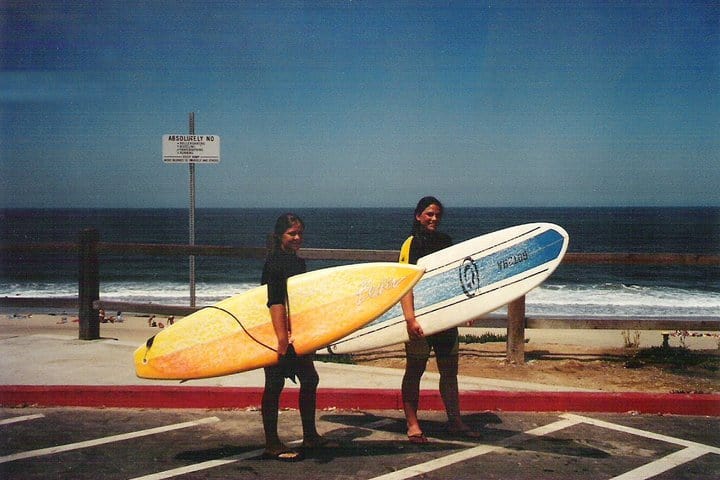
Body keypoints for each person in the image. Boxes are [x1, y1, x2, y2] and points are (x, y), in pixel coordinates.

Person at [399, 196, 482, 443]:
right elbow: (404, 284)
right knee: (415, 370)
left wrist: (465, 310)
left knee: (449, 372)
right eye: (429, 214)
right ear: (418, 216)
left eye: (437, 215)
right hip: (421, 318)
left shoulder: (446, 241)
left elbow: (455, 278)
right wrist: (410, 319)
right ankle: (412, 424)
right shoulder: (411, 244)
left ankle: (455, 421)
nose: (434, 218)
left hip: (445, 318)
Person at [260, 212, 336, 461]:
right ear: (280, 235)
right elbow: (275, 302)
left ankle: (310, 435)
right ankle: (272, 443)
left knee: (309, 379)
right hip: (275, 332)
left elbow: (298, 301)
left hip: (294, 333)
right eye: (292, 233)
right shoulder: (275, 263)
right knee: (274, 384)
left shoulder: (296, 262)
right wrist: (282, 339)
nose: (297, 237)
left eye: (300, 233)